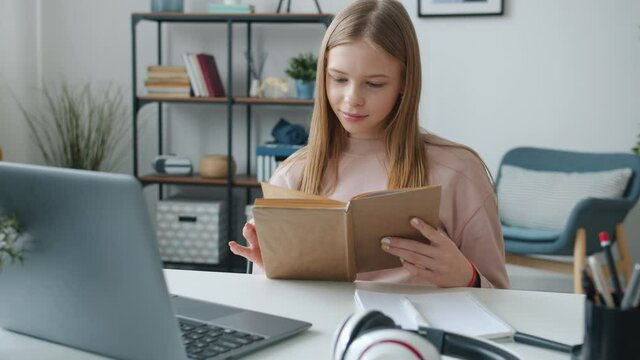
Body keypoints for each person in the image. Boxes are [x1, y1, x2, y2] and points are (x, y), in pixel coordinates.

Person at [229, 0, 510, 289]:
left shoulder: (459, 172)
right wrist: (270, 274)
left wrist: (467, 278)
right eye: (338, 79)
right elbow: (273, 307)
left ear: (405, 82)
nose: (352, 98)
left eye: (374, 84)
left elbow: (505, 299)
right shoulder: (293, 175)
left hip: (418, 333)